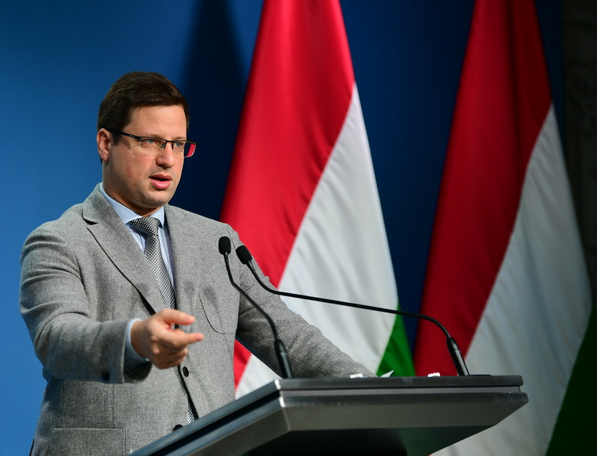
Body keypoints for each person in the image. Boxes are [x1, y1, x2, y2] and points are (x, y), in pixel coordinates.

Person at [19, 71, 372, 455]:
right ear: (106, 143)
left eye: (178, 144)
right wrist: (135, 338)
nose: (167, 159)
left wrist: (369, 389)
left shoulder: (216, 242)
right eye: (150, 141)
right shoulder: (59, 240)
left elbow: (286, 335)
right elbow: (57, 338)